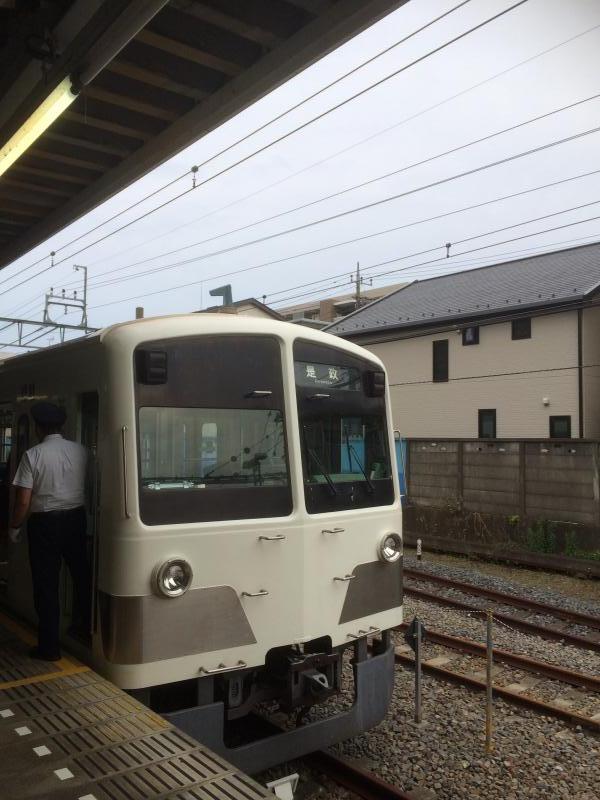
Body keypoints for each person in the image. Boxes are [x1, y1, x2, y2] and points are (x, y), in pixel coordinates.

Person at [8, 402, 90, 661]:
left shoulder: (32, 455)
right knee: (81, 577)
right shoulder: (81, 451)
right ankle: (84, 626)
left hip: (44, 525)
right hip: (76, 519)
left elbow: (23, 501)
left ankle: (49, 648)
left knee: (47, 585)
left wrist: (14, 527)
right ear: (62, 426)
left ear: (38, 427)